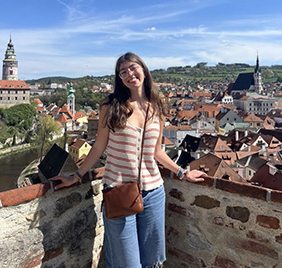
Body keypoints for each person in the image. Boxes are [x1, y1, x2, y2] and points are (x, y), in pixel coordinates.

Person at [51, 52, 207, 268]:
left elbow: (157, 151)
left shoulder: (157, 106)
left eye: (133, 68)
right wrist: (76, 176)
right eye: (123, 71)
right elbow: (98, 147)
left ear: (143, 69)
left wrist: (182, 172)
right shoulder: (111, 105)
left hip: (153, 192)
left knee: (152, 259)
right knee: (127, 262)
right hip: (119, 190)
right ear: (119, 78)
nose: (129, 74)